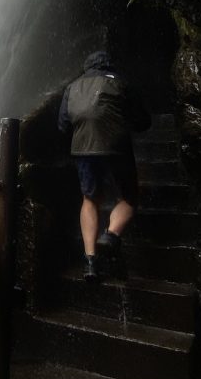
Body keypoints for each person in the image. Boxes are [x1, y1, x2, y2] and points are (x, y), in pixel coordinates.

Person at [58, 50, 151, 282]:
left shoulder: (72, 87)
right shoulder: (119, 83)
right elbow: (142, 121)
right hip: (115, 147)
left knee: (90, 199)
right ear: (109, 66)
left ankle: (90, 262)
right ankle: (110, 236)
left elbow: (62, 125)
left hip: (83, 150)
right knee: (129, 197)